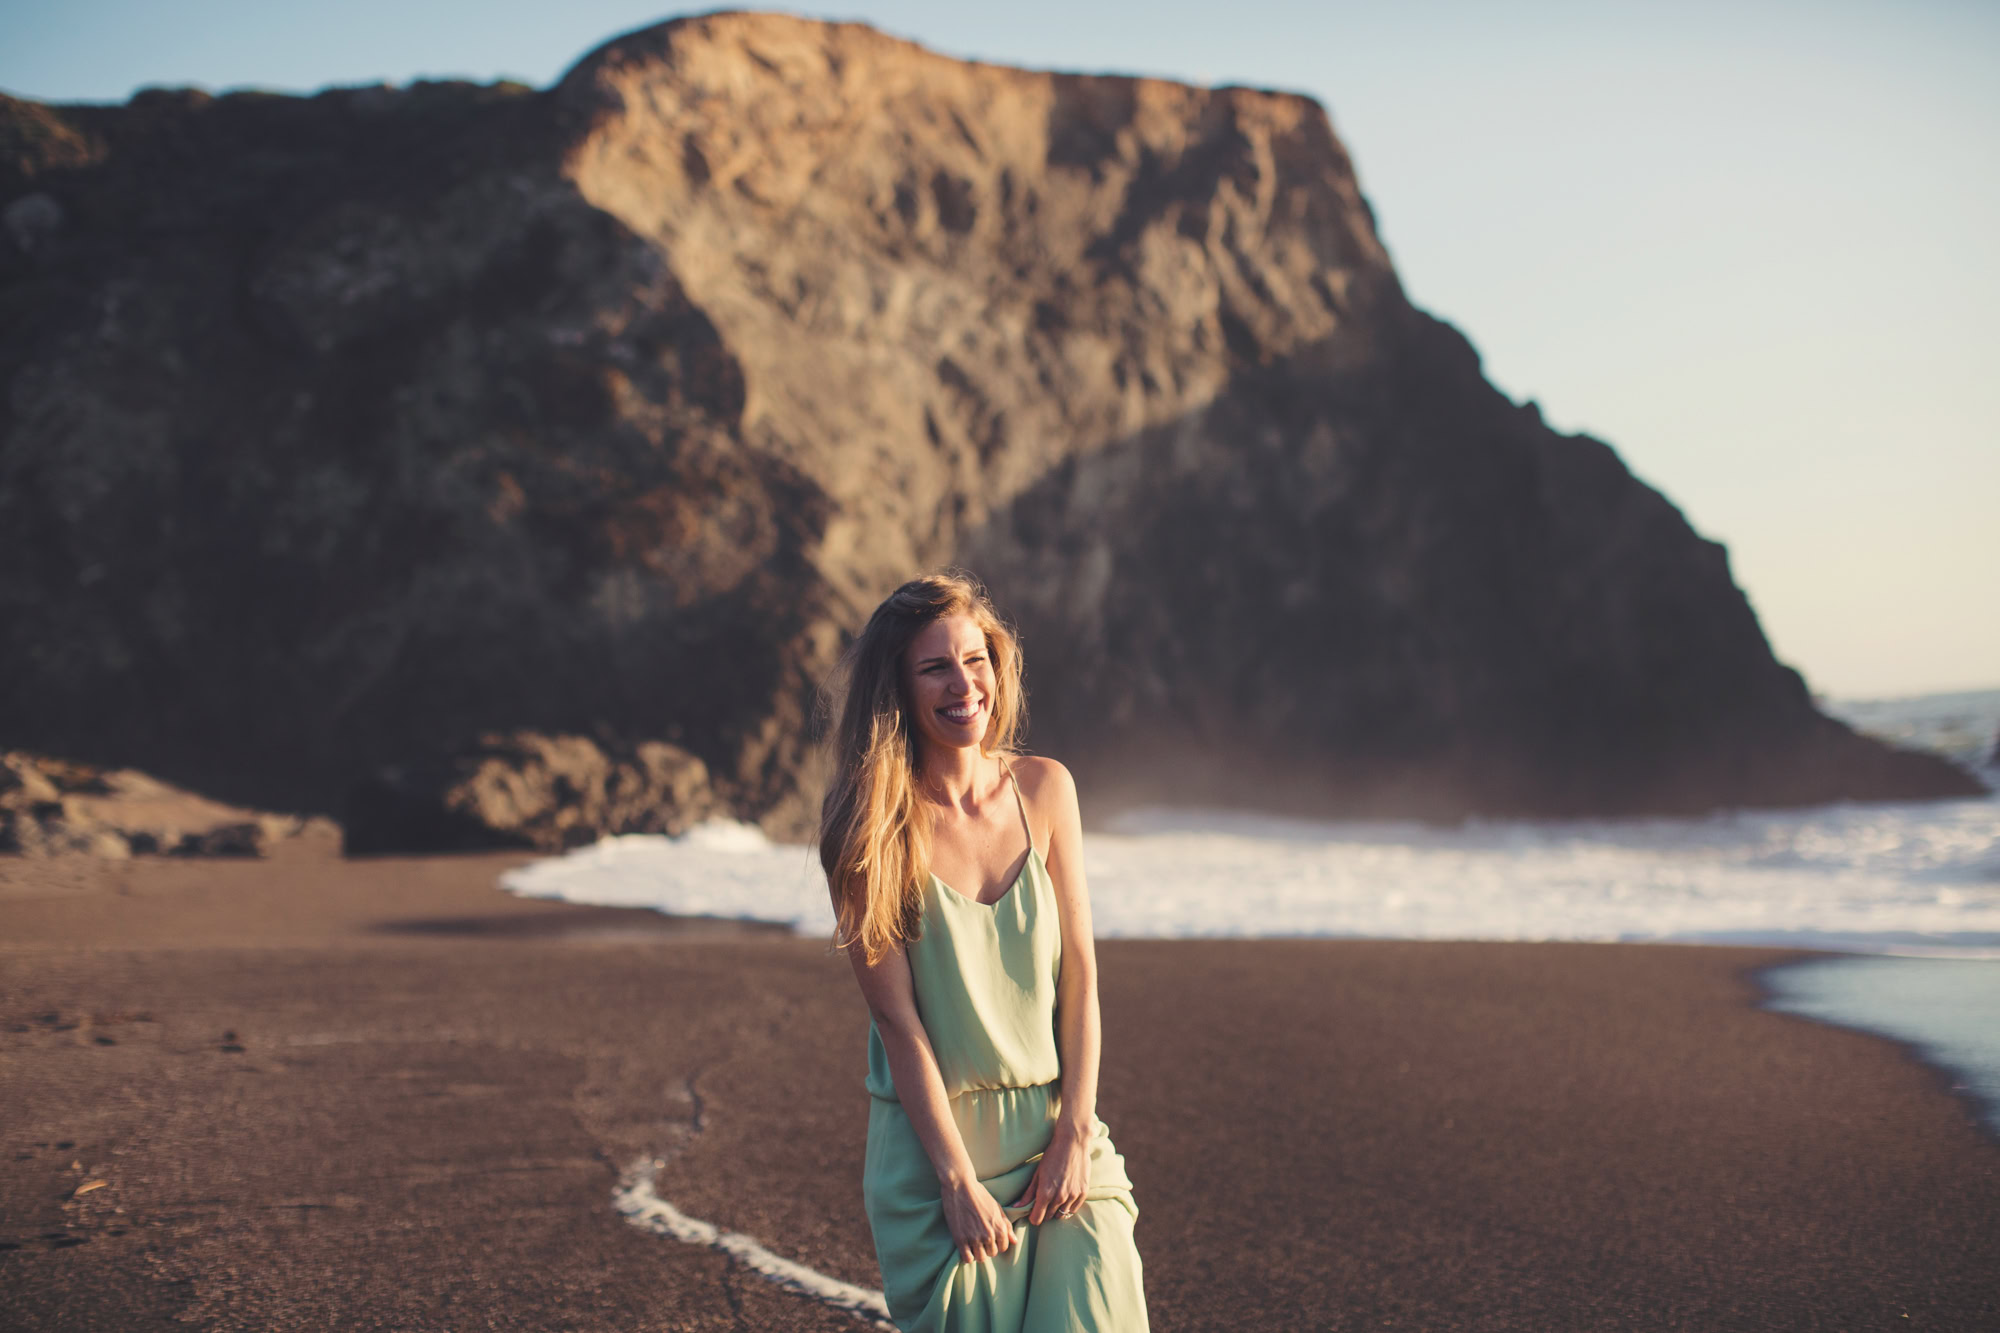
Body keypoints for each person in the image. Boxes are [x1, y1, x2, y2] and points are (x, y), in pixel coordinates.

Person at [819, 571, 1151, 1332]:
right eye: (935, 667)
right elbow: (900, 1029)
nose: (964, 684)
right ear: (897, 688)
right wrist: (956, 1182)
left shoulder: (1047, 790)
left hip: (1059, 1140)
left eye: (976, 660)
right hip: (942, 1158)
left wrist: (1075, 1129)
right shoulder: (869, 832)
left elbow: (1081, 979)